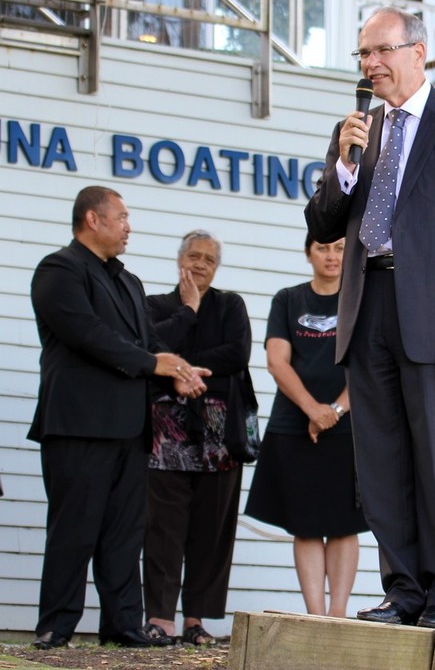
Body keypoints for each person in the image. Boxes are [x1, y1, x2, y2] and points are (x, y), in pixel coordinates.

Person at [305, 5, 435, 632]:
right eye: (362, 55)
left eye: (381, 52)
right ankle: (405, 593)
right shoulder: (357, 131)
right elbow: (322, 225)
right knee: (383, 464)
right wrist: (343, 165)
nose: (371, 65)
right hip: (366, 311)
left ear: (419, 52)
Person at [28, 186, 207, 650]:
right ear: (93, 219)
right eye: (122, 217)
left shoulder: (127, 281)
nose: (130, 226)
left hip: (129, 425)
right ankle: (57, 626)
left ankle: (123, 623)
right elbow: (88, 335)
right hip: (78, 423)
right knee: (75, 526)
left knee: (125, 531)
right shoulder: (59, 270)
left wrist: (178, 372)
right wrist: (156, 365)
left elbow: (145, 344)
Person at [245, 233, 369, 617]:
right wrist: (314, 409)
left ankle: (338, 615)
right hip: (293, 424)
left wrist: (334, 409)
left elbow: (368, 364)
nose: (331, 256)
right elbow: (277, 361)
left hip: (348, 424)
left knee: (345, 524)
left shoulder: (361, 297)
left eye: (339, 249)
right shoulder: (288, 299)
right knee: (307, 524)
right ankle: (315, 616)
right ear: (308, 254)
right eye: (322, 248)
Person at [142, 230, 252, 646]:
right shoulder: (155, 306)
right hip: (166, 431)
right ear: (179, 260)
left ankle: (195, 620)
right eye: (193, 255)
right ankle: (160, 618)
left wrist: (181, 368)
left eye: (209, 258)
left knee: (211, 529)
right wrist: (187, 314)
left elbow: (236, 355)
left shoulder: (230, 305)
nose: (201, 263)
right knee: (163, 528)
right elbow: (151, 350)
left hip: (219, 434)